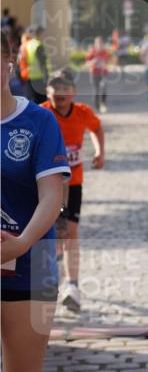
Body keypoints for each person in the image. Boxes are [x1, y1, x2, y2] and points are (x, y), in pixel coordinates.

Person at [1, 30, 71, 372]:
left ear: (8, 61)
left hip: (31, 262)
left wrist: (22, 241)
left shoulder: (38, 121)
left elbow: (53, 195)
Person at [41, 71, 105, 312]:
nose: (60, 95)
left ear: (73, 92)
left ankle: (73, 286)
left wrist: (100, 152)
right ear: (48, 93)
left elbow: (97, 129)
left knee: (71, 231)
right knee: (50, 231)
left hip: (74, 182)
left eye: (65, 90)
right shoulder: (41, 113)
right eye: (55, 90)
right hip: (47, 183)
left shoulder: (83, 112)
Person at [85, 36, 112, 113]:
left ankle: (103, 104)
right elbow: (86, 64)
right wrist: (93, 61)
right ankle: (97, 106)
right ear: (95, 44)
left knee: (103, 87)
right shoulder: (92, 52)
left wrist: (105, 64)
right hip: (94, 73)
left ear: (103, 44)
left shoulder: (105, 52)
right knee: (96, 90)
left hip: (104, 73)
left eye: (101, 43)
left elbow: (110, 62)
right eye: (98, 43)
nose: (100, 45)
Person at [24, 25, 50, 104]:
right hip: (39, 77)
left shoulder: (28, 44)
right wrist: (47, 76)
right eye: (44, 33)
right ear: (40, 33)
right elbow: (43, 63)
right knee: (42, 101)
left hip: (29, 76)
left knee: (33, 100)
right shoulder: (38, 45)